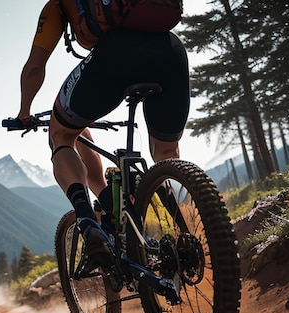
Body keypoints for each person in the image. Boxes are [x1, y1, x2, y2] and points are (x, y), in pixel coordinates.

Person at [14, 0, 190, 267]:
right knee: (166, 154)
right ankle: (190, 233)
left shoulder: (58, 6)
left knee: (61, 133)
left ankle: (87, 220)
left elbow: (35, 68)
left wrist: (24, 112)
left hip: (114, 54)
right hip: (171, 51)